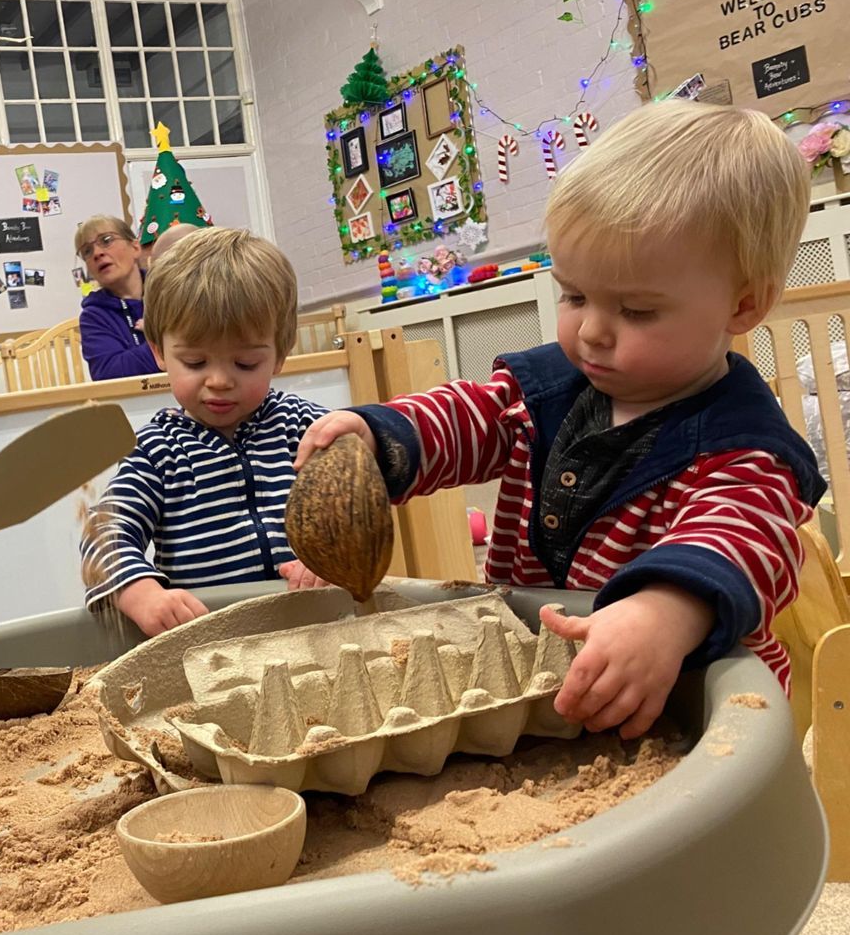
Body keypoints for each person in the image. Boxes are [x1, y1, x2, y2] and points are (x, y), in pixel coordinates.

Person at [296, 100, 825, 743]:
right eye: (573, 295)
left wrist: (666, 610)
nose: (591, 331)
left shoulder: (748, 453)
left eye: (636, 310)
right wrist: (381, 438)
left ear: (743, 304)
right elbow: (468, 418)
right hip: (542, 691)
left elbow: (738, 540)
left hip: (686, 716)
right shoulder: (545, 391)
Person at [81, 228, 329, 636]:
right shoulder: (156, 449)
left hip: (311, 629)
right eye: (195, 362)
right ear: (159, 351)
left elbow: (361, 501)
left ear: (280, 355)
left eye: (245, 364)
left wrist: (330, 557)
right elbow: (104, 534)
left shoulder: (306, 428)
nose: (218, 381)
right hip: (209, 643)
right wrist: (143, 594)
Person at [76, 215, 160, 380]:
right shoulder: (93, 316)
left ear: (135, 247)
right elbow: (108, 374)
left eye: (106, 240)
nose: (97, 253)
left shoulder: (170, 290)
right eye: (87, 251)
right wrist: (168, 345)